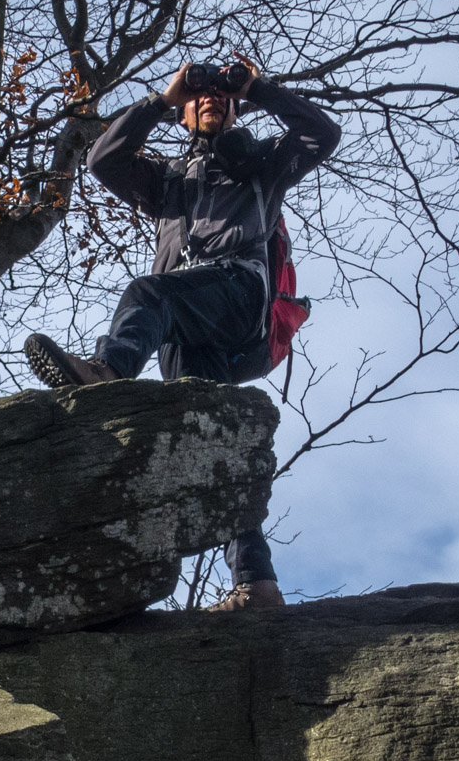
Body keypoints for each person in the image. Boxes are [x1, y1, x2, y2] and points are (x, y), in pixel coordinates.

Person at [24, 58, 339, 611]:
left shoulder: (263, 163)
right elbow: (103, 159)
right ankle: (256, 582)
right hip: (187, 329)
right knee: (212, 447)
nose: (211, 98)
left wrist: (258, 88)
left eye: (223, 96)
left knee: (149, 293)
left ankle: (107, 372)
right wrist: (161, 101)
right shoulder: (169, 183)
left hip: (238, 293)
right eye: (201, 96)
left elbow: (323, 133)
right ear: (185, 112)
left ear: (236, 107)